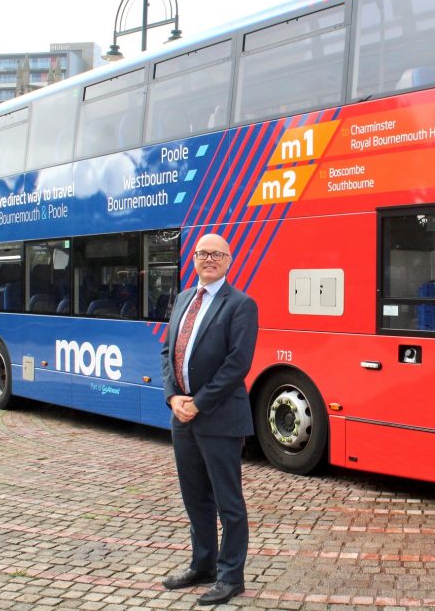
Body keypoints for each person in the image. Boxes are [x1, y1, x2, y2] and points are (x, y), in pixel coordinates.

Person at [160, 233, 258, 606]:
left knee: (228, 501)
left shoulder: (241, 305)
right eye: (203, 253)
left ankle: (231, 576)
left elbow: (238, 364)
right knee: (195, 498)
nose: (209, 259)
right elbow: (169, 349)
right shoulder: (184, 297)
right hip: (182, 416)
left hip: (218, 417)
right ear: (194, 259)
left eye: (217, 254)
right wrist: (172, 397)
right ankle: (203, 564)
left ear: (230, 260)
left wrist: (197, 403)